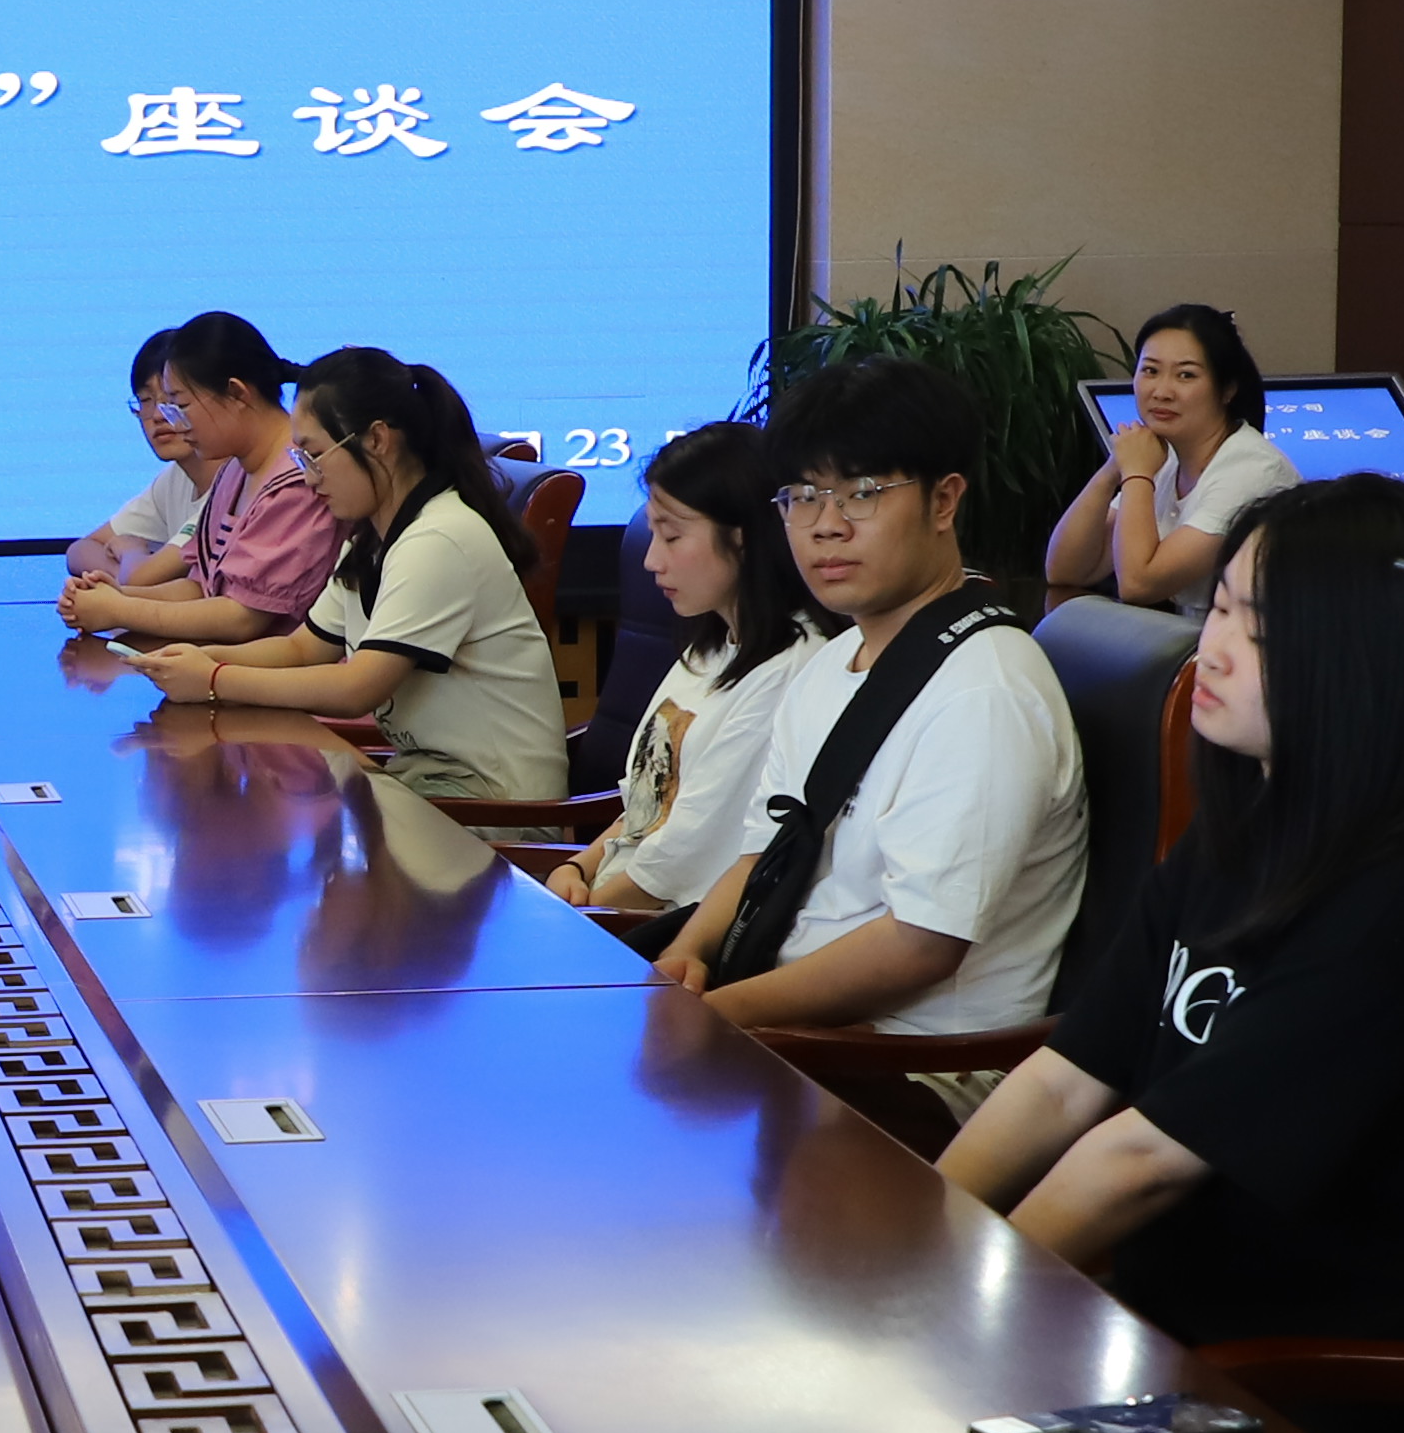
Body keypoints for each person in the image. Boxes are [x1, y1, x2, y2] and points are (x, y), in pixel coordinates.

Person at [944, 476, 1404, 1344]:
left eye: (1263, 631)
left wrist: (950, 1310)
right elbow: (1063, 1082)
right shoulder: (1246, 825)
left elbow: (1144, 1162)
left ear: (1366, 662)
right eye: (1221, 610)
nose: (1213, 652)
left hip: (1330, 1370)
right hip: (1176, 1323)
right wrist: (924, 1241)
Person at [638, 356, 1084, 1049]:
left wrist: (716, 1015)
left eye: (863, 493)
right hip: (786, 1021)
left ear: (943, 501)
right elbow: (763, 856)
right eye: (803, 496)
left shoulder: (984, 692)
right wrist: (687, 958)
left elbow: (919, 946)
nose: (826, 526)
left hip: (906, 1062)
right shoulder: (832, 659)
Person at [130, 347, 572, 799]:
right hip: (429, 779)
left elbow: (356, 688)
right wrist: (198, 658)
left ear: (377, 440)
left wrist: (213, 680)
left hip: (492, 802)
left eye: (314, 455)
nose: (309, 479)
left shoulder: (438, 539)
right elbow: (302, 649)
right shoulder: (372, 539)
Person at [551, 420, 818, 909]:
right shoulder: (711, 644)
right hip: (609, 901)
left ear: (742, 537)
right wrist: (577, 867)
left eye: (671, 537)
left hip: (657, 923)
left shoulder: (788, 671)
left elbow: (679, 862)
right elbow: (646, 810)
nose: (651, 560)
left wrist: (582, 917)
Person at [60, 314, 334, 645]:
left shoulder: (297, 479)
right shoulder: (234, 472)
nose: (175, 423)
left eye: (180, 406)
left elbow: (242, 618)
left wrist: (119, 610)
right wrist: (116, 593)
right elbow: (199, 587)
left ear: (236, 393)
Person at [1044, 300, 1297, 612]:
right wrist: (1113, 469)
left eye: (1186, 375)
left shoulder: (1252, 470)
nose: (1162, 391)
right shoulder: (1165, 457)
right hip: (1188, 637)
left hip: (1253, 640)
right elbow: (1064, 571)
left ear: (1227, 389)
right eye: (1150, 371)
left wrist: (1137, 474)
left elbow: (1138, 585)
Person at [63, 356, 208, 587]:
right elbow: (81, 550)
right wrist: (122, 578)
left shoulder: (235, 485)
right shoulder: (175, 477)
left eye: (173, 399)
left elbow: (142, 577)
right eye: (146, 400)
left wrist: (131, 554)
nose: (158, 415)